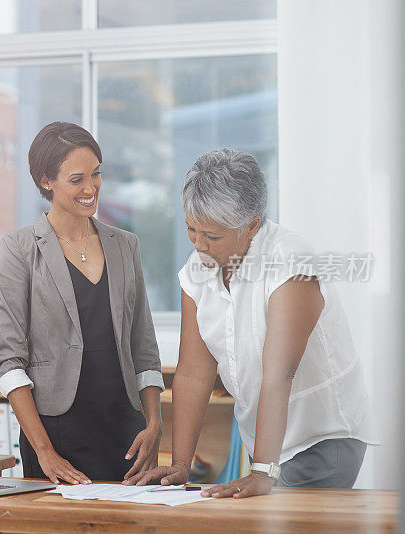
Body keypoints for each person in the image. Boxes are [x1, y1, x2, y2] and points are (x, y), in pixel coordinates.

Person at [127, 149, 378, 497]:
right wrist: (181, 464)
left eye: (212, 237)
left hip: (319, 438)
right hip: (265, 442)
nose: (199, 246)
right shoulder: (197, 269)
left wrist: (262, 470)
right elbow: (192, 372)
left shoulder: (292, 263)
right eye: (191, 230)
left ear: (252, 226)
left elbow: (279, 375)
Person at [0, 121, 164, 485]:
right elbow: (9, 362)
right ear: (46, 181)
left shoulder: (125, 244)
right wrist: (44, 452)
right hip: (56, 437)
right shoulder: (19, 249)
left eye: (96, 174)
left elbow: (143, 345)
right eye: (77, 179)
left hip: (126, 436)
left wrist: (154, 423)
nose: (91, 188)